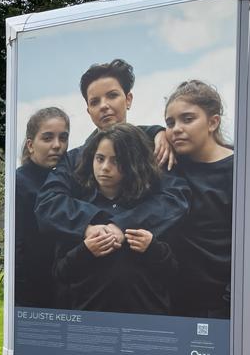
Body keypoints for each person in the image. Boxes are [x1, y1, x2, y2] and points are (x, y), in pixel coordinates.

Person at [36, 59, 189, 257]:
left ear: (128, 99)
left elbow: (175, 198)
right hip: (88, 277)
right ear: (88, 110)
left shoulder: (155, 148)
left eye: (112, 95)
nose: (104, 106)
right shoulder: (74, 159)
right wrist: (88, 226)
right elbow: (48, 203)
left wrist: (122, 225)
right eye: (95, 102)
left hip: (146, 275)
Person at [53, 124, 180, 315]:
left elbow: (173, 270)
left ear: (132, 162)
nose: (105, 167)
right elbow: (60, 273)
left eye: (116, 160)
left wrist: (152, 247)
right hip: (91, 324)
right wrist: (86, 250)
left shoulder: (152, 210)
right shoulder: (78, 212)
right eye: (100, 158)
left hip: (147, 323)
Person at [163, 80, 234, 319]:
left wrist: (229, 300)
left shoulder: (240, 169)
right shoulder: (171, 165)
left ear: (213, 122)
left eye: (187, 119)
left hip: (223, 305)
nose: (176, 129)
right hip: (175, 301)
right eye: (170, 123)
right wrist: (156, 134)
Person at [15, 107, 69, 308]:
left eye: (63, 138)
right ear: (31, 145)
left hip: (65, 289)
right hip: (33, 294)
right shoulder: (19, 182)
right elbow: (19, 246)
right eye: (47, 138)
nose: (57, 145)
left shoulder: (67, 179)